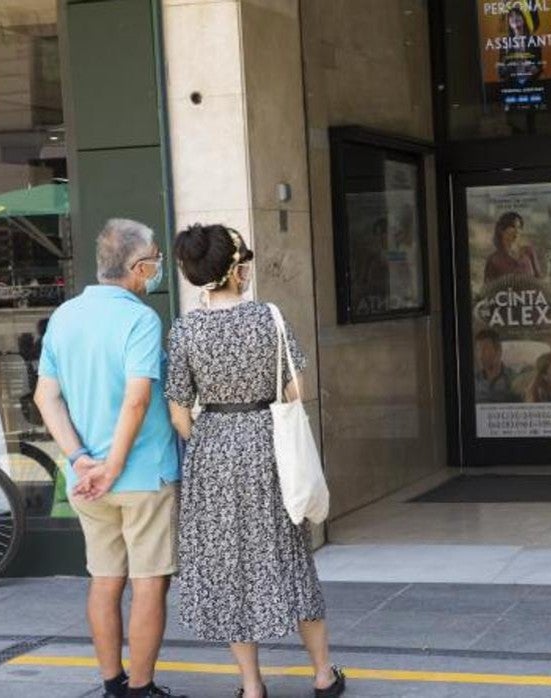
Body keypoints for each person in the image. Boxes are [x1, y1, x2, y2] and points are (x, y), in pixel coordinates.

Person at [165, 224, 345, 698]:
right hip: (270, 450)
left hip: (213, 455)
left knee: (228, 567)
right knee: (290, 557)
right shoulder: (269, 318)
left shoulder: (185, 330)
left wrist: (213, 438)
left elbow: (179, 412)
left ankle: (251, 686)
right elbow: (294, 391)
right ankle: (324, 675)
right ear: (236, 270)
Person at [33, 219, 183, 698]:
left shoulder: (64, 317)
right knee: (148, 583)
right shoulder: (140, 319)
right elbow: (137, 399)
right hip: (141, 473)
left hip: (86, 481)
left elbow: (45, 397)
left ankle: (112, 683)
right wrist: (114, 465)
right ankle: (141, 687)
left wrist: (80, 459)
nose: (157, 267)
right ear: (140, 268)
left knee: (104, 579)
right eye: (155, 259)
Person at [482, 212, 542, 284]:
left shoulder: (529, 252)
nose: (517, 231)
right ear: (501, 230)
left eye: (519, 227)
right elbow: (488, 289)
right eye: (513, 227)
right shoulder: (493, 260)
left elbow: (539, 281)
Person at [474, 329, 520, 402]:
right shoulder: (474, 380)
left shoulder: (514, 380)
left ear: (498, 351)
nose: (480, 355)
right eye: (478, 349)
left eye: (485, 349)